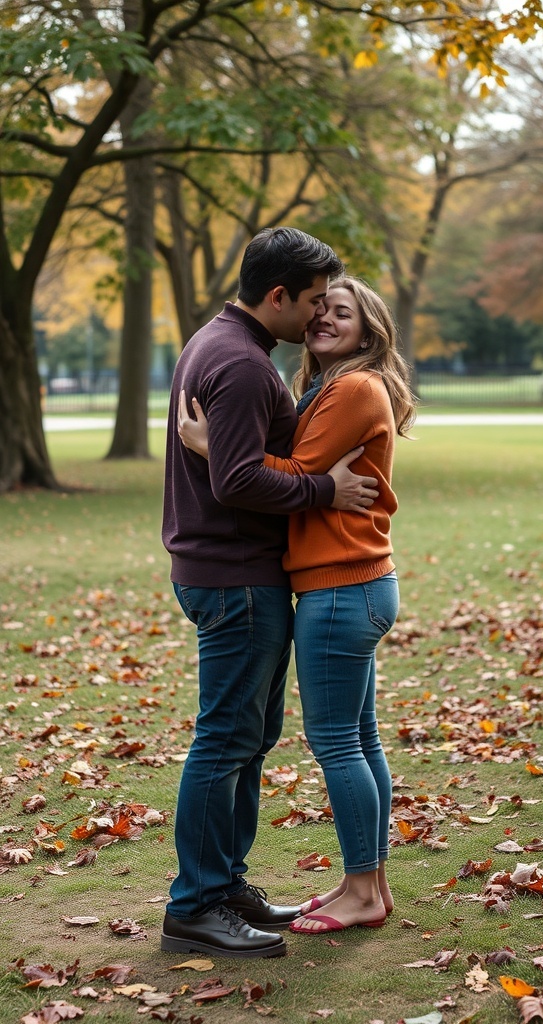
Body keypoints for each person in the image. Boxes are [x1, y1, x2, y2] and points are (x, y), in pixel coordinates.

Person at [161, 229, 380, 960]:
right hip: (236, 578)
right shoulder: (246, 365)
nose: (318, 315)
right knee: (224, 741)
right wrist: (326, 488)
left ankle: (225, 886)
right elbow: (238, 480)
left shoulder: (216, 344)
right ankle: (195, 904)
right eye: (314, 301)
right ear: (278, 295)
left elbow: (233, 460)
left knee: (246, 741)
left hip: (229, 573)